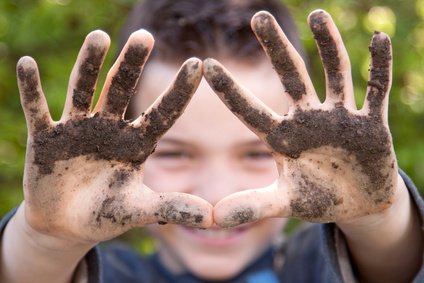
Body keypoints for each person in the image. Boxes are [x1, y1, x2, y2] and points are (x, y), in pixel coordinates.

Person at [1, 0, 423, 282]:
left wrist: (378, 221)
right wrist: (47, 242)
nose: (219, 194)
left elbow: (392, 268)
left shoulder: (309, 266)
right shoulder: (109, 272)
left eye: (258, 151)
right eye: (175, 152)